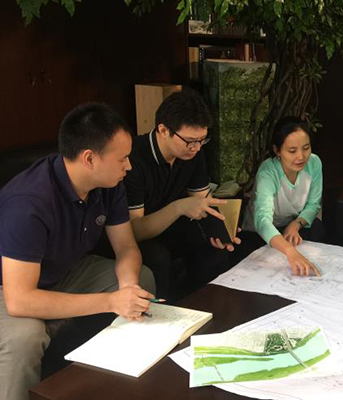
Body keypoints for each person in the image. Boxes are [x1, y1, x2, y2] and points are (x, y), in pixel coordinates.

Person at [0, 103, 156, 400]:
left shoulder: (110, 183)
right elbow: (19, 300)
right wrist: (112, 301)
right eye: (122, 158)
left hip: (64, 270)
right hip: (10, 287)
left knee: (142, 280)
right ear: (89, 158)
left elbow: (126, 246)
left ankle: (111, 382)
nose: (129, 166)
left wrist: (127, 287)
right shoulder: (29, 202)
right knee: (24, 337)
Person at [124, 89, 239, 301]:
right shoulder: (132, 159)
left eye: (202, 140)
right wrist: (179, 207)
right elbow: (134, 231)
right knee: (158, 257)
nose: (196, 148)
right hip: (138, 234)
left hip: (172, 226)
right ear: (163, 130)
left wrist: (222, 227)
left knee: (215, 245)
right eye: (190, 141)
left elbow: (202, 201)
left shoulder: (192, 154)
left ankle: (207, 307)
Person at [239, 117, 324, 276]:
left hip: (291, 227)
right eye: (292, 151)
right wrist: (290, 252)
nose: (301, 156)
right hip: (260, 233)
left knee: (317, 228)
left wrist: (296, 224)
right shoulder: (268, 172)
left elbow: (313, 204)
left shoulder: (314, 163)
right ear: (277, 150)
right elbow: (262, 221)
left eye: (306, 148)